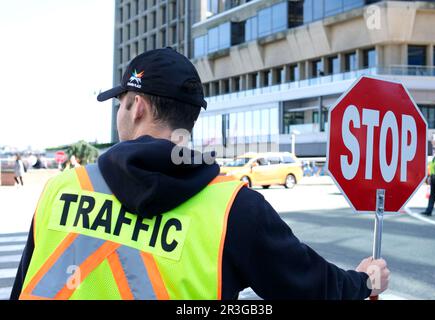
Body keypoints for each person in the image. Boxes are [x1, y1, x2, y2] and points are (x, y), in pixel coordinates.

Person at [11, 48, 389, 300]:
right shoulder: (235, 210)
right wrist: (364, 282)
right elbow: (312, 287)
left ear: (137, 107)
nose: (120, 114)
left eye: (121, 104)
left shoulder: (60, 189)